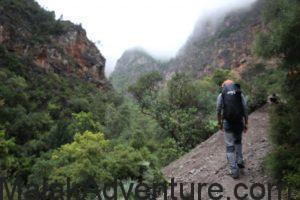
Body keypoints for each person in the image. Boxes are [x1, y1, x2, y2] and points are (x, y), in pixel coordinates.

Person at [216, 79, 248, 179]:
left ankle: (234, 171)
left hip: (228, 123)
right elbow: (245, 108)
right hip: (239, 121)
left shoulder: (222, 95)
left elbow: (218, 110)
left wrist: (220, 123)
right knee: (238, 141)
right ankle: (239, 161)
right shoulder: (239, 93)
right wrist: (246, 122)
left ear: (224, 86)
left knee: (230, 146)